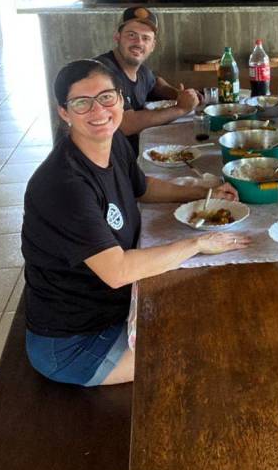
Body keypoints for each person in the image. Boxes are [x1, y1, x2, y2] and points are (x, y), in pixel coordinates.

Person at [22, 59, 251, 387]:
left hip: (115, 308)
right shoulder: (64, 186)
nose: (99, 111)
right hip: (75, 344)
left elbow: (142, 187)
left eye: (106, 97)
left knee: (217, 310)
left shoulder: (111, 141)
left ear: (120, 99)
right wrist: (198, 243)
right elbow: (118, 271)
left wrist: (204, 192)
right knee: (206, 352)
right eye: (82, 102)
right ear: (64, 112)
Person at [95, 6, 200, 153]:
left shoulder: (141, 71)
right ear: (117, 37)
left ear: (153, 46)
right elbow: (126, 123)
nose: (138, 43)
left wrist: (178, 94)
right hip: (106, 158)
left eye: (146, 38)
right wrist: (181, 108)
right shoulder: (101, 72)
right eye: (131, 35)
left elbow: (156, 84)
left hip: (134, 149)